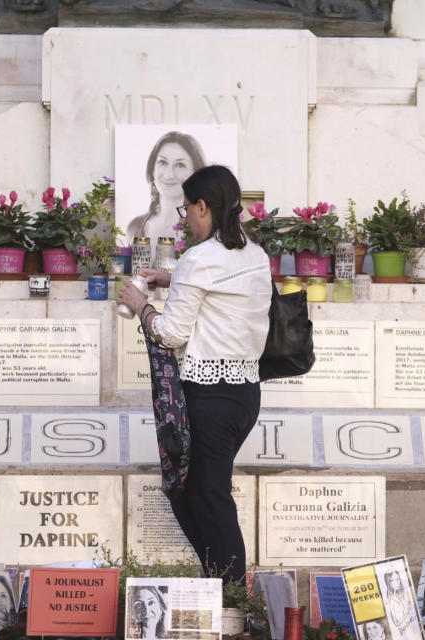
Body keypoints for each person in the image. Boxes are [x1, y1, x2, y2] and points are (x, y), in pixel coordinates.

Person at [117, 165, 271, 583]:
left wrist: (140, 303)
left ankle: (233, 598)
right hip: (244, 397)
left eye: (186, 210)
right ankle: (217, 586)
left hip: (210, 398)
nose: (185, 218)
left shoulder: (199, 259)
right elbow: (224, 291)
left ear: (204, 206)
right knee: (194, 493)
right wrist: (174, 278)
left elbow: (169, 334)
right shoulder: (255, 254)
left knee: (209, 498)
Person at [125, 130, 207, 253]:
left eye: (180, 165)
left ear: (196, 173)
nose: (169, 174)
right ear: (152, 169)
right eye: (162, 162)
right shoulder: (135, 227)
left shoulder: (204, 228)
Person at [380, 564, 422, 640]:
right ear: (389, 582)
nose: (397, 582)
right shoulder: (390, 601)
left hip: (413, 631)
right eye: (393, 580)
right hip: (401, 633)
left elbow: (413, 613)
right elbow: (396, 622)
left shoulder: (406, 594)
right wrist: (408, 613)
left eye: (398, 579)